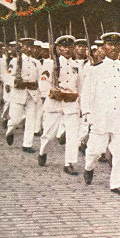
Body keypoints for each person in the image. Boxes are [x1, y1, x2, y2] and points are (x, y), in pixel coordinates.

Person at [81, 32, 120, 195]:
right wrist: (86, 112)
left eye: (116, 45)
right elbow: (86, 93)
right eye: (110, 45)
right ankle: (89, 167)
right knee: (94, 150)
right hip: (101, 115)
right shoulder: (95, 69)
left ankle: (117, 183)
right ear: (104, 47)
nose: (113, 48)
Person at [38, 35, 83, 176]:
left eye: (70, 47)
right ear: (58, 48)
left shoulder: (77, 65)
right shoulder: (50, 63)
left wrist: (81, 105)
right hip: (54, 102)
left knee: (72, 135)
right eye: (64, 47)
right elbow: (43, 80)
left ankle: (69, 163)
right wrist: (49, 91)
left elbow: (81, 86)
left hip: (71, 103)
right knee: (49, 134)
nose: (67, 49)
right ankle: (43, 151)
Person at [5, 38, 41, 153]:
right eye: (26, 46)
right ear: (21, 47)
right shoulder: (15, 61)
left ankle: (27, 144)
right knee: (15, 119)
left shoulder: (36, 62)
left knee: (31, 119)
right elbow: (9, 76)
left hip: (32, 93)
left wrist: (40, 90)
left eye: (31, 47)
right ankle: (10, 129)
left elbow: (40, 79)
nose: (29, 49)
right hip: (18, 92)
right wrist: (15, 82)